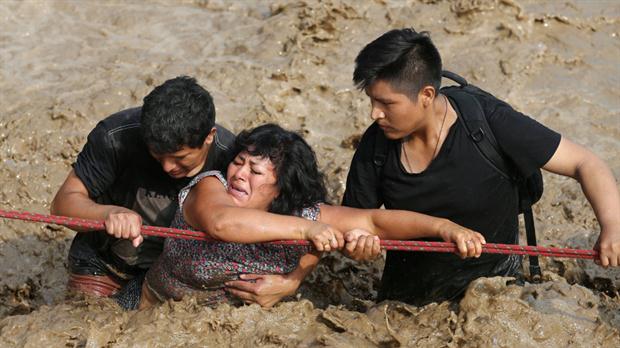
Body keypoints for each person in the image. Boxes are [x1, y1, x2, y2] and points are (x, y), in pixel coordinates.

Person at [341, 28, 620, 306]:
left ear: (426, 95)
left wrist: (613, 226)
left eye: (386, 103)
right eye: (371, 100)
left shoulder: (488, 122)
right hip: (407, 302)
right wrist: (358, 249)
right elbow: (351, 224)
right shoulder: (375, 147)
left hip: (496, 292)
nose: (374, 113)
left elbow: (586, 163)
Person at [132, 123, 486, 310]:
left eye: (255, 171)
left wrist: (444, 228)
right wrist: (310, 230)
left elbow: (375, 222)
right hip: (151, 311)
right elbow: (223, 225)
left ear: (281, 189)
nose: (239, 174)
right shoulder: (210, 186)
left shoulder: (305, 213)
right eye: (238, 162)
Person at [50, 76, 236, 297]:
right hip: (106, 264)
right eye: (157, 155)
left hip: (181, 272)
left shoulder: (232, 158)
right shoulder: (114, 137)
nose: (167, 167)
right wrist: (110, 213)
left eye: (180, 157)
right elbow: (62, 205)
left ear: (209, 136)